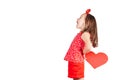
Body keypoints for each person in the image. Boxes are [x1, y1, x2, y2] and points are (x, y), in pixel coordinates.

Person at [64, 9, 98, 80]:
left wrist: (85, 51)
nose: (77, 19)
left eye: (80, 18)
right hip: (74, 60)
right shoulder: (82, 34)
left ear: (86, 23)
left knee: (78, 78)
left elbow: (88, 46)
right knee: (76, 78)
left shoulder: (85, 34)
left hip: (77, 61)